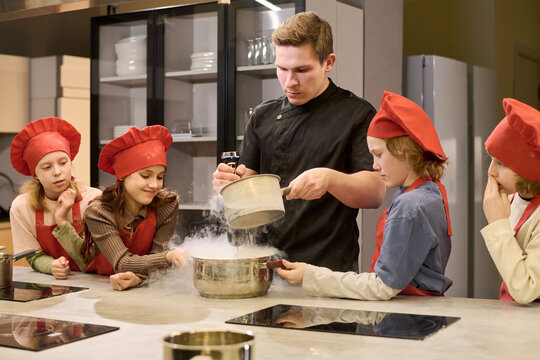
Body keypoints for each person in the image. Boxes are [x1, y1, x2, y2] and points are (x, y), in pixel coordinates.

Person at [212, 12, 385, 272]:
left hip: (327, 273)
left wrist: (330, 179)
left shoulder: (357, 114)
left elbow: (375, 193)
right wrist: (229, 186)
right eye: (282, 69)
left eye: (302, 70)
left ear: (328, 62)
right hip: (268, 269)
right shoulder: (263, 116)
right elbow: (247, 188)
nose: (290, 82)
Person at [277, 91, 453, 300]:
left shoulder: (409, 206)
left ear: (405, 152)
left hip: (408, 313)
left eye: (379, 155)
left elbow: (382, 286)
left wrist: (311, 276)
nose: (374, 165)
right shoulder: (430, 192)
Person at [81, 125, 183, 291]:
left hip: (143, 287)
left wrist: (139, 279)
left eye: (160, 177)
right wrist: (168, 257)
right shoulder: (99, 213)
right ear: (123, 176)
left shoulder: (166, 205)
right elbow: (122, 263)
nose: (154, 185)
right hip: (100, 288)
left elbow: (156, 259)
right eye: (145, 176)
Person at [9, 117, 102, 279]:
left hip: (94, 285)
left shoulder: (93, 199)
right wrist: (51, 266)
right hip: (51, 285)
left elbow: (92, 259)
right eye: (47, 167)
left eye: (63, 162)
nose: (57, 171)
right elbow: (34, 255)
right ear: (35, 175)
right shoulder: (22, 207)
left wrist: (62, 220)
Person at [481, 98, 540, 304]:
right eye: (491, 159)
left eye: (501, 163)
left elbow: (526, 289)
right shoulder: (513, 200)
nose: (490, 172)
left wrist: (498, 224)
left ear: (527, 169)